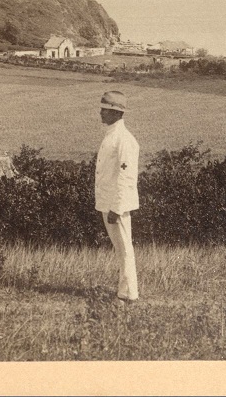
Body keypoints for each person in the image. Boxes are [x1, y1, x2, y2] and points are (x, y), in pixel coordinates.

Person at [95, 90, 140, 302]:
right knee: (120, 248)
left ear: (116, 113)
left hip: (116, 204)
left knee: (124, 249)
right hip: (108, 202)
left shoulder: (125, 140)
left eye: (105, 110)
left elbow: (127, 176)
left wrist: (118, 206)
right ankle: (125, 292)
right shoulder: (112, 135)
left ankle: (129, 294)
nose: (101, 113)